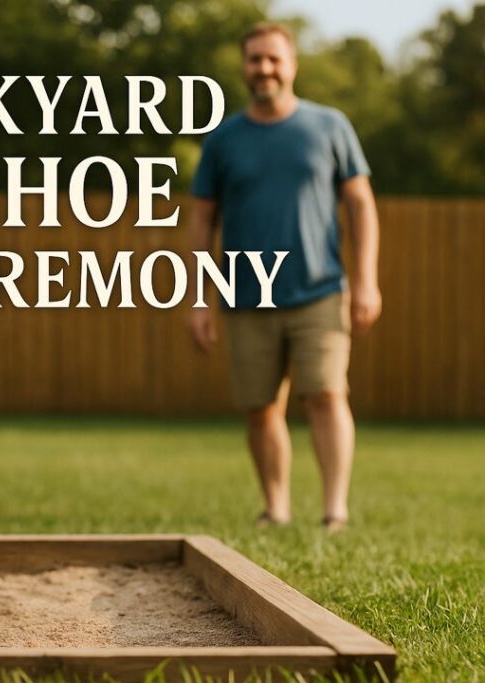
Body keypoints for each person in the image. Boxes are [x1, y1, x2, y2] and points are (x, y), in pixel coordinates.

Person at [188, 22, 382, 532]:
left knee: (326, 394)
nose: (265, 68)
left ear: (292, 64)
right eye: (255, 59)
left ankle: (334, 511)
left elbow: (360, 205)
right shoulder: (223, 140)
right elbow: (201, 220)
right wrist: (198, 299)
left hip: (319, 289)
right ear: (244, 67)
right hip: (246, 293)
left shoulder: (329, 126)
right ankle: (275, 509)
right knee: (260, 408)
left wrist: (366, 280)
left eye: (274, 59)